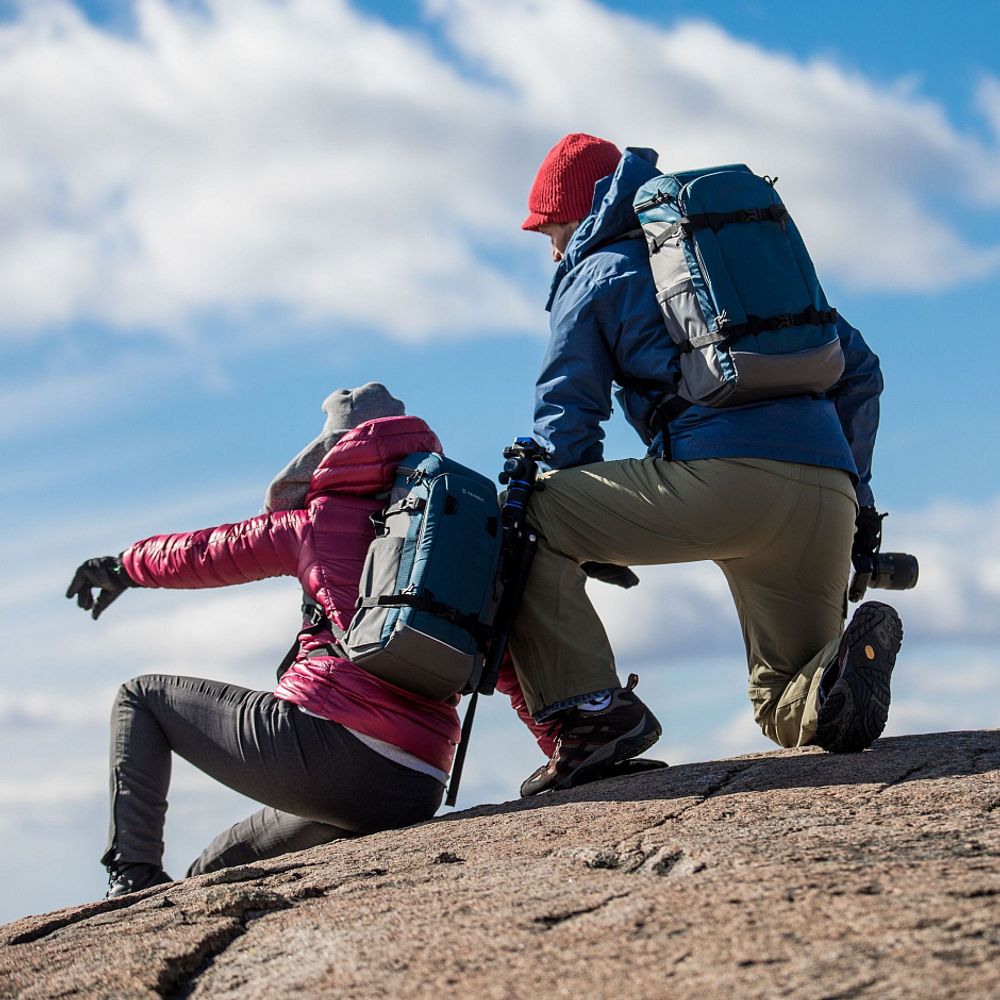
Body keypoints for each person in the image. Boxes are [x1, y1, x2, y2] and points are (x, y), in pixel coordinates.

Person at [508, 133, 903, 797]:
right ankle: (838, 672)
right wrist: (855, 496)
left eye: (551, 231)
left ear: (577, 216)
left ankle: (594, 716)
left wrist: (583, 527)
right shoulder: (735, 269)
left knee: (525, 516)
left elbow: (565, 415)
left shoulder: (597, 269)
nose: (550, 250)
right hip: (827, 496)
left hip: (719, 486)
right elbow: (860, 370)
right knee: (788, 702)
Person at [67, 383, 552, 898]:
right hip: (417, 780)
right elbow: (503, 662)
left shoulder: (313, 523)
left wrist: (123, 567)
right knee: (213, 870)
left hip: (328, 752)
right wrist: (562, 750)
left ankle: (133, 874)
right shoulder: (460, 537)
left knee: (141, 697)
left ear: (334, 450)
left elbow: (206, 552)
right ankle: (160, 899)